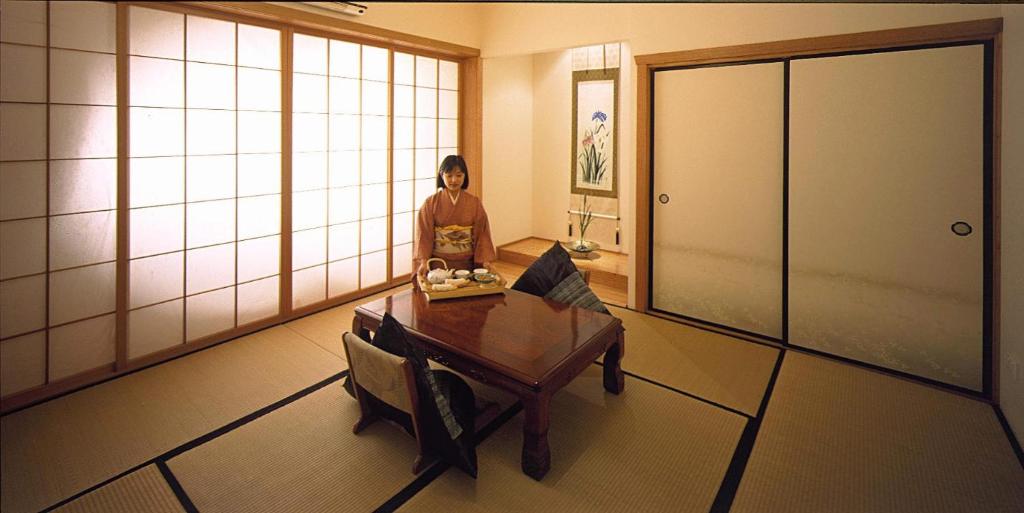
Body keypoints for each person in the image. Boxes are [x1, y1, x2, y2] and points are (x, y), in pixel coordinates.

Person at [414, 155, 496, 282]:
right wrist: (424, 261)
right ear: (442, 175)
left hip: (466, 264)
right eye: (449, 175)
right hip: (438, 265)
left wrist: (485, 261)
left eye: (459, 175)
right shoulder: (431, 203)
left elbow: (482, 234)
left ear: (465, 176)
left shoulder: (474, 203)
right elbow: (424, 235)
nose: (454, 180)